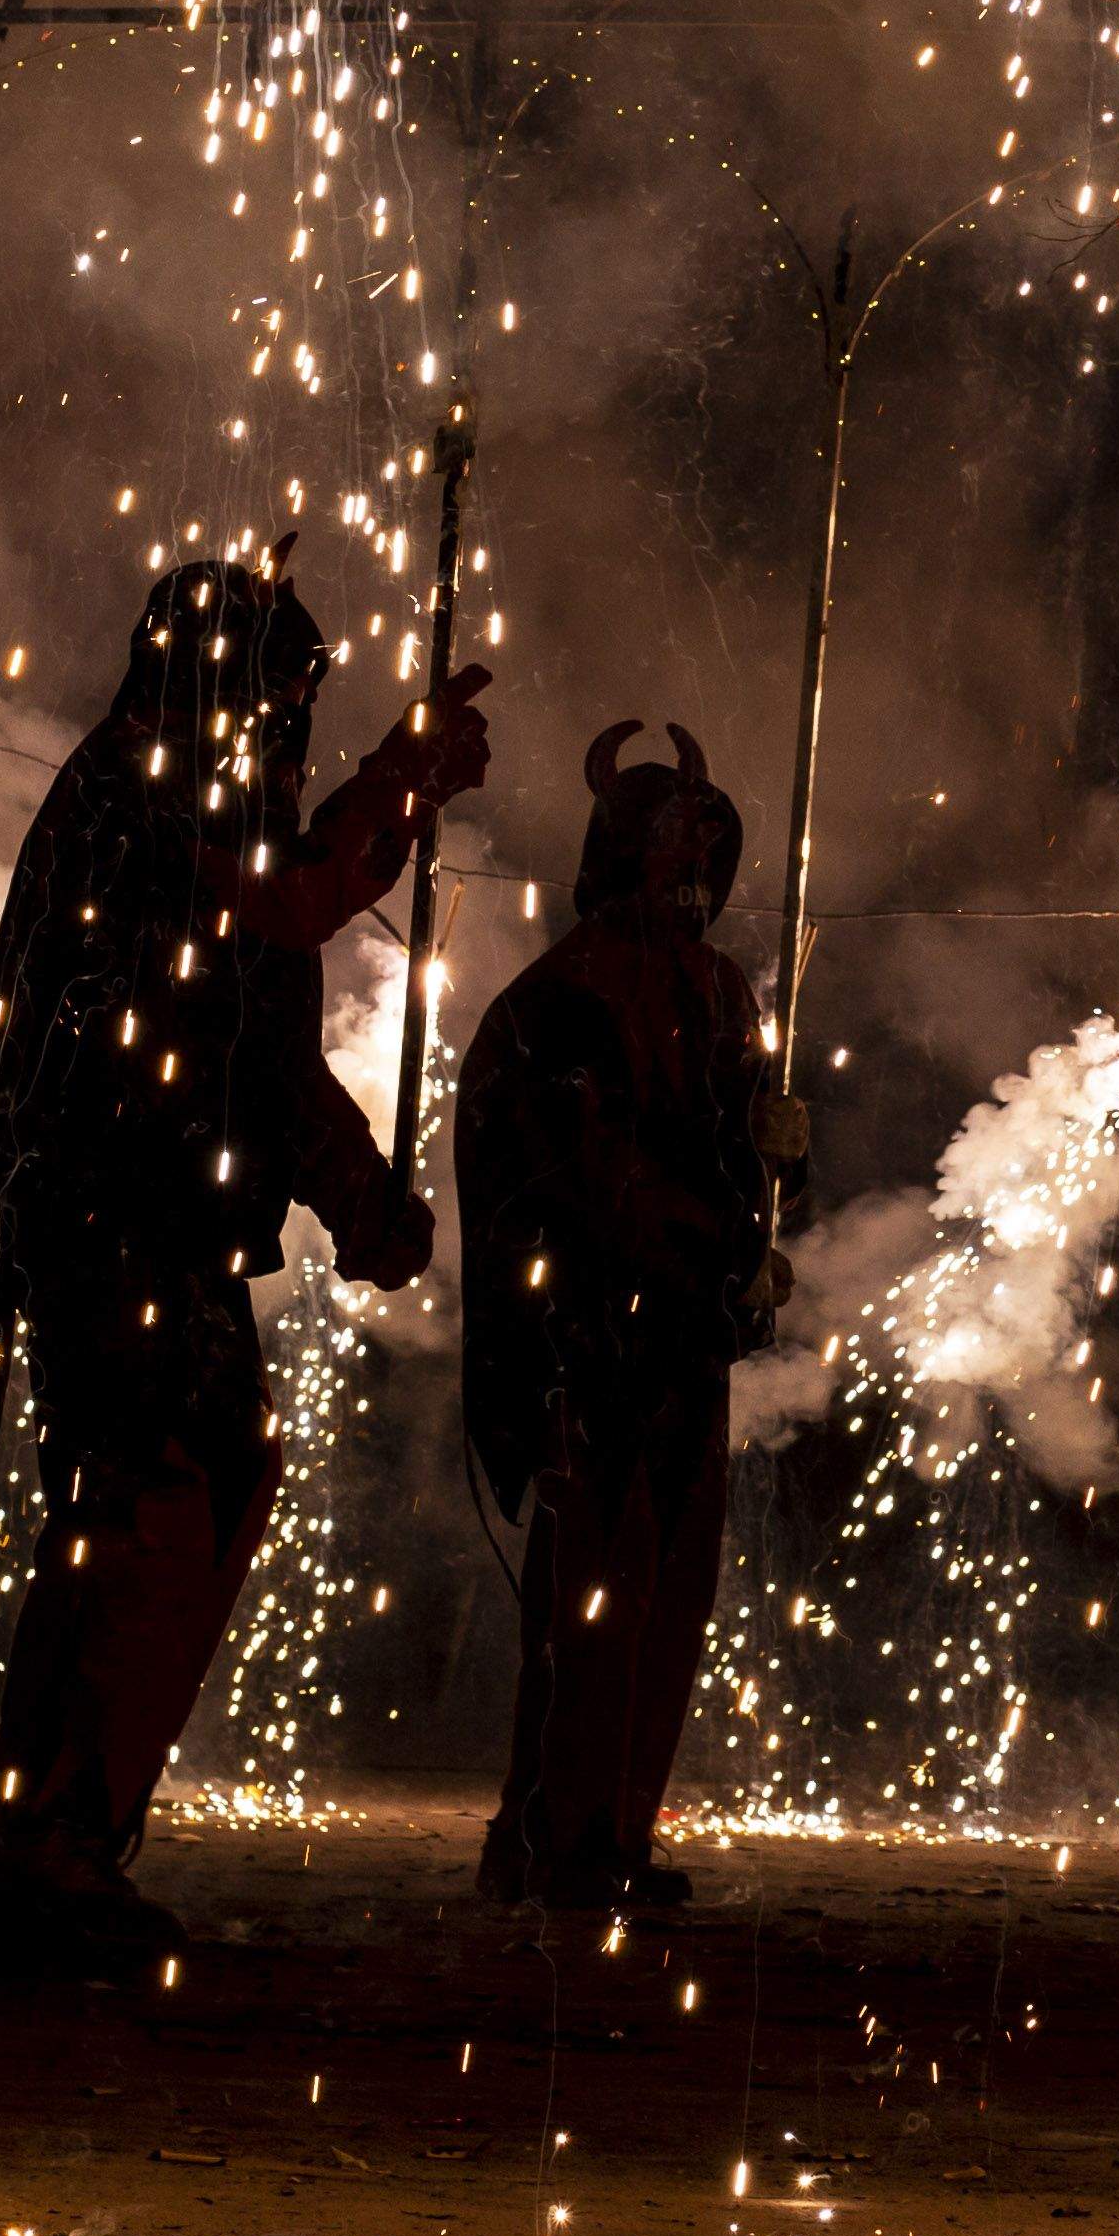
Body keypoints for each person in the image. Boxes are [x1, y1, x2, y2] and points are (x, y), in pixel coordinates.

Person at [0, 552, 485, 1975]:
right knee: (154, 1495)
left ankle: (65, 1830)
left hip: (166, 1228)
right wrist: (400, 782)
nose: (285, 724)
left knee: (198, 1485)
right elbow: (283, 902)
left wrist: (357, 1195)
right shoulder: (134, 800)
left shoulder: (211, 805)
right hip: (103, 1217)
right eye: (275, 695)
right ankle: (46, 1843)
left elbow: (262, 1045)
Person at [457, 722, 781, 1912]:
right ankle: (553, 1833)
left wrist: (768, 1180)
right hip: (590, 1332)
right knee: (595, 1589)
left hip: (685, 1332)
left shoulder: (725, 990)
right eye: (666, 846)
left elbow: (739, 1155)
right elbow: (570, 1165)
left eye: (704, 850)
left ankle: (615, 1831)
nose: (688, 872)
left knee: (672, 1587)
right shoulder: (564, 995)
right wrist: (685, 1231)